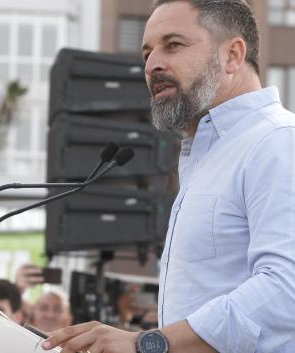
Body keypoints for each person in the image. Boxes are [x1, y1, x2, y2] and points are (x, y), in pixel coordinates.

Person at [41, 1, 295, 353]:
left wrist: (150, 344)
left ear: (233, 55)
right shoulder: (205, 156)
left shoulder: (278, 140)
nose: (151, 64)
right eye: (146, 52)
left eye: (173, 45)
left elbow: (286, 291)